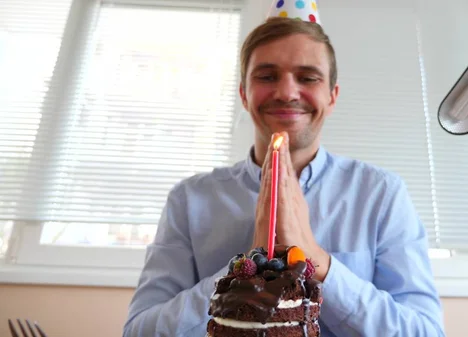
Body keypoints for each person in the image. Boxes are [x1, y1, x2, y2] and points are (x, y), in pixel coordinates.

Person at [123, 12, 446, 337]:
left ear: (332, 96)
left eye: (308, 78)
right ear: (244, 94)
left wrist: (314, 258)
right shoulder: (189, 200)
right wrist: (245, 269)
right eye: (266, 76)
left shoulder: (381, 194)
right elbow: (139, 331)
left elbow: (425, 332)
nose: (287, 93)